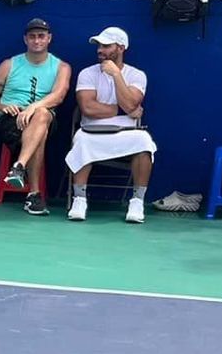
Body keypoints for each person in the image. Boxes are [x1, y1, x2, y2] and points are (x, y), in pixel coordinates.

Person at [65, 26, 156, 224]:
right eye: (99, 46)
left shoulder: (137, 75)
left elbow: (131, 103)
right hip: (91, 130)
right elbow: (88, 108)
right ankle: (79, 200)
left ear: (121, 48)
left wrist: (116, 76)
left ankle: (137, 202)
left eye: (106, 46)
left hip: (127, 132)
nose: (100, 50)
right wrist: (121, 109)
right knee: (80, 139)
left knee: (145, 142)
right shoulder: (87, 74)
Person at [0, 17, 69, 217]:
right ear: (25, 39)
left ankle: (19, 166)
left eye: (41, 36)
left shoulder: (62, 67)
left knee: (43, 115)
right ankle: (34, 195)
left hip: (42, 116)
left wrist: (33, 108)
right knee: (40, 132)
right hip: (10, 120)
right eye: (32, 37)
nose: (37, 41)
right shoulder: (9, 65)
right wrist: (4, 107)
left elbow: (59, 95)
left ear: (49, 39)